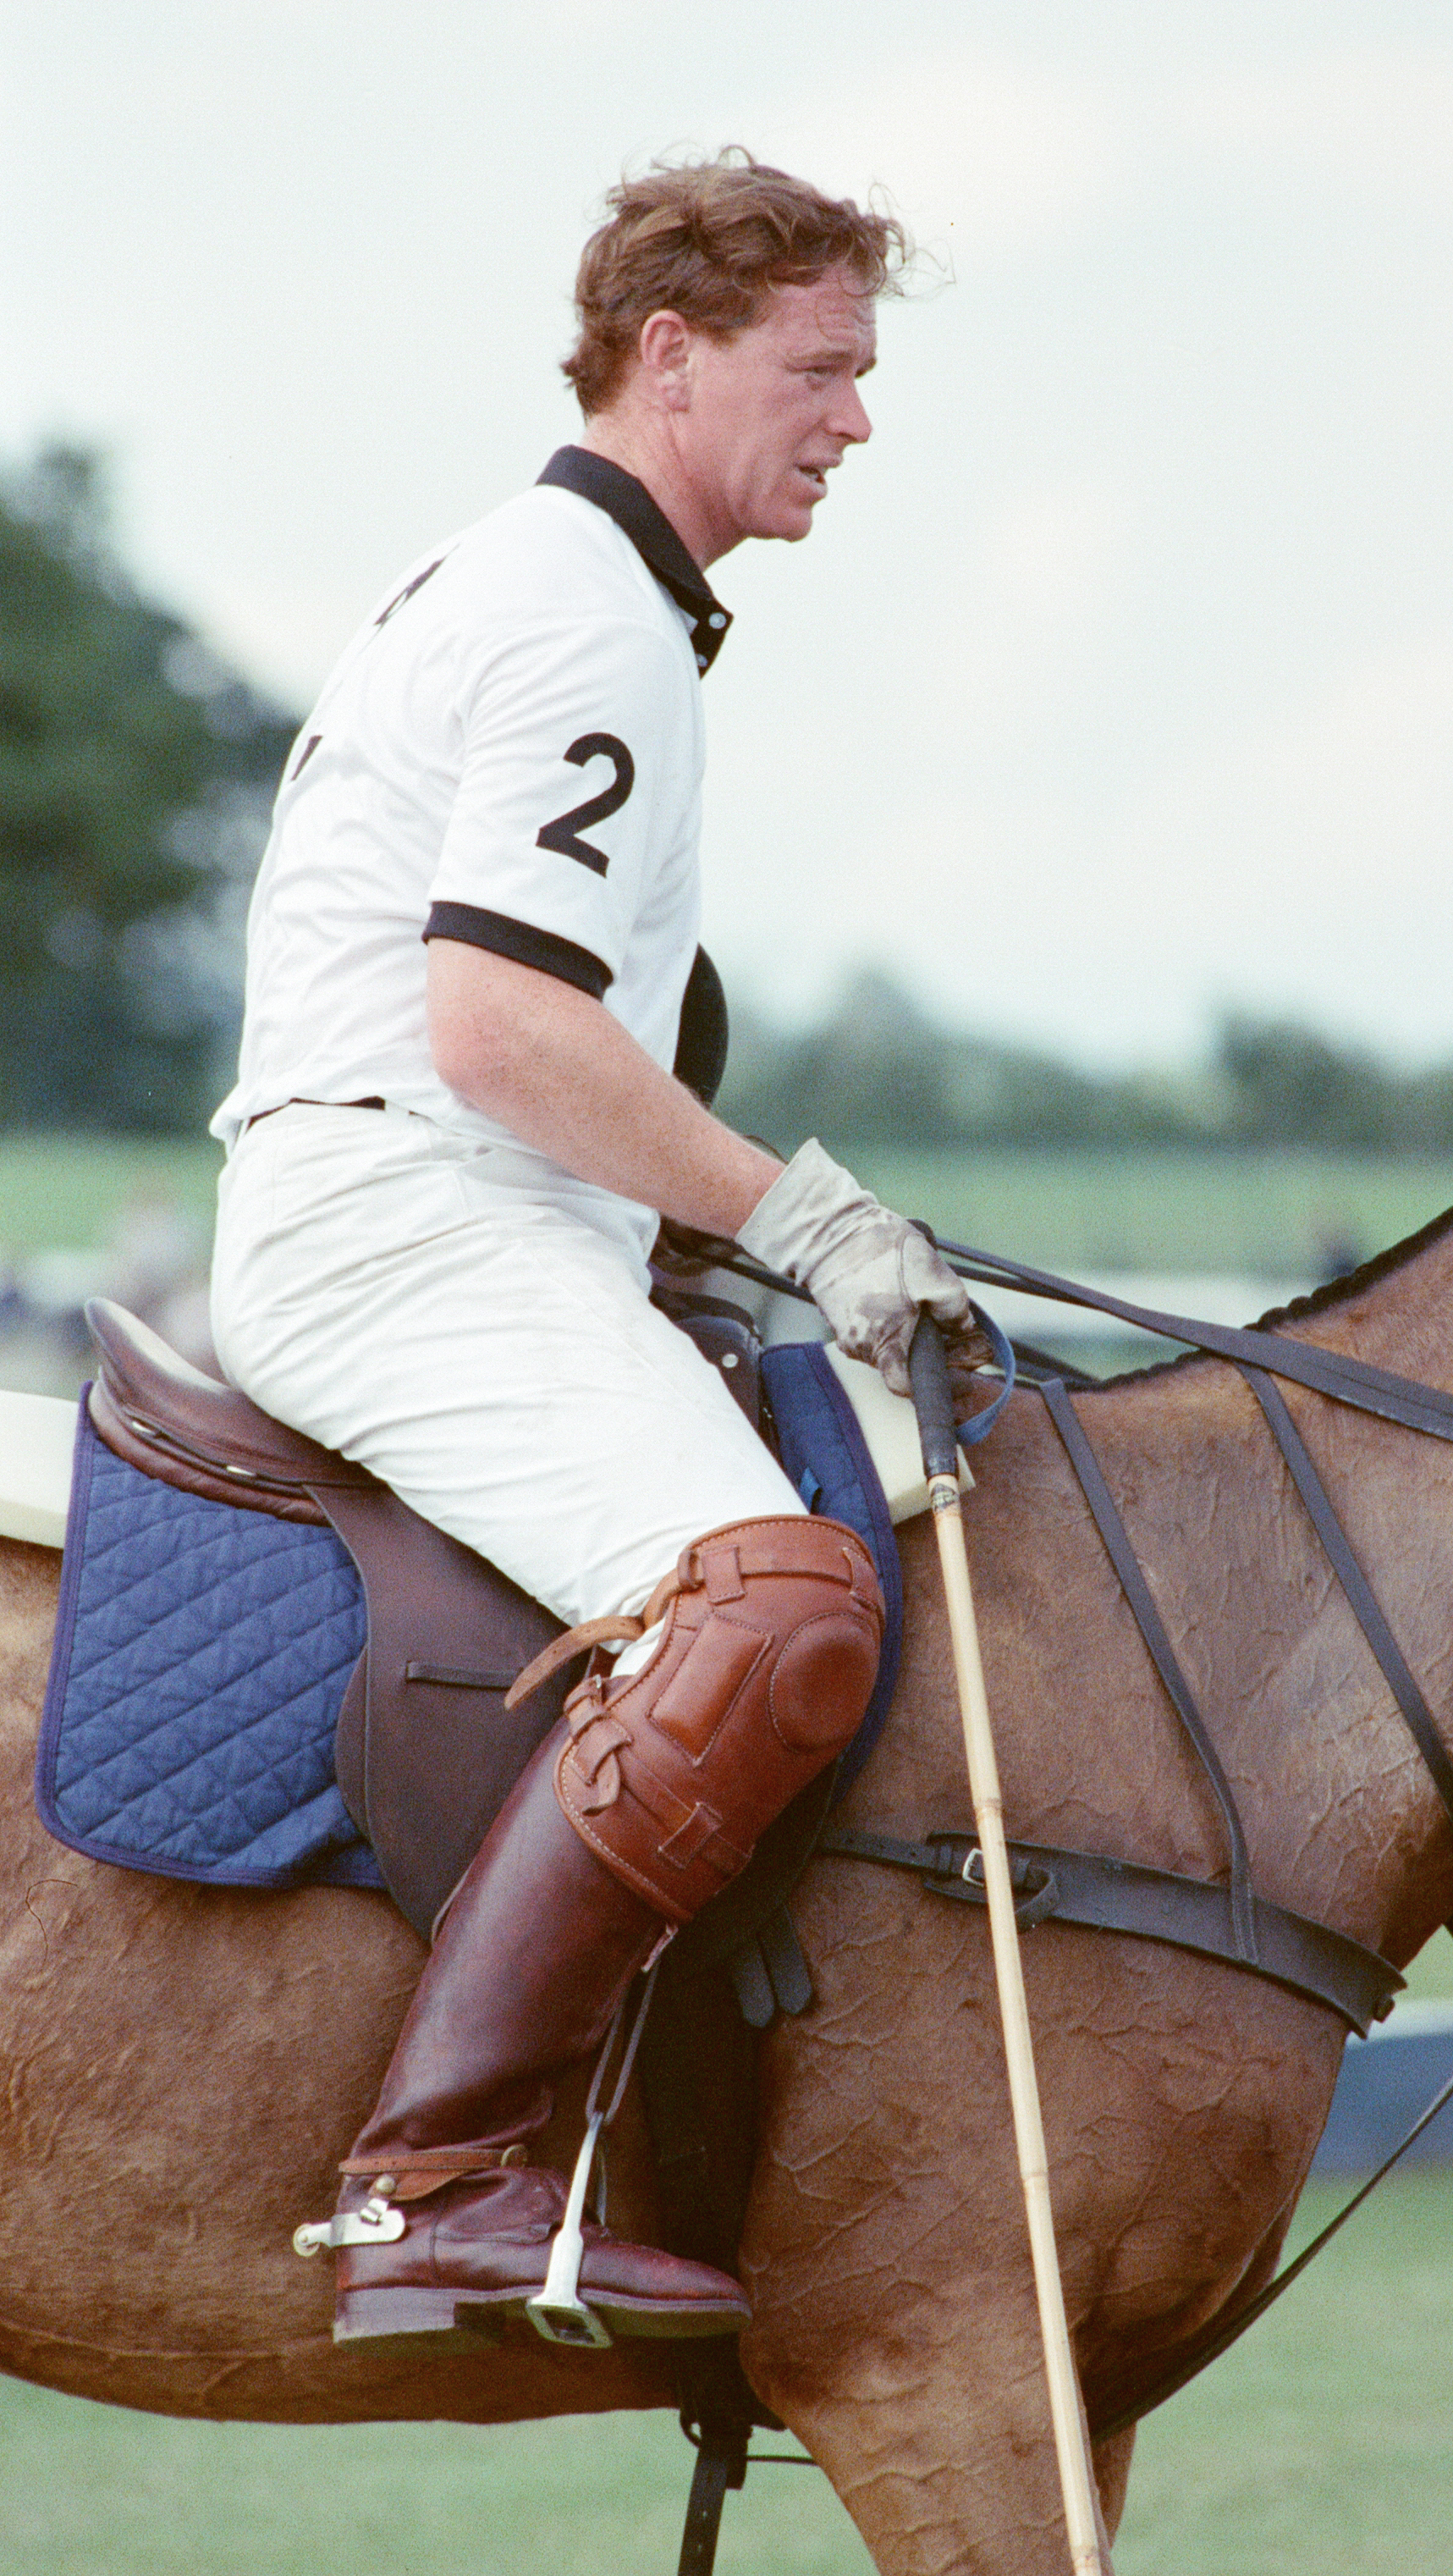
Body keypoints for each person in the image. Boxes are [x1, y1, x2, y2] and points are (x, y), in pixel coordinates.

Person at [207, 152, 988, 2351]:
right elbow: (502, 1025)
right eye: (817, 367)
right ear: (670, 353)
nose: (853, 419)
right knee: (779, 1600)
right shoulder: (586, 614)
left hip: (445, 1208)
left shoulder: (561, 584)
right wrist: (804, 1216)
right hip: (407, 1220)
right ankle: (432, 2180)